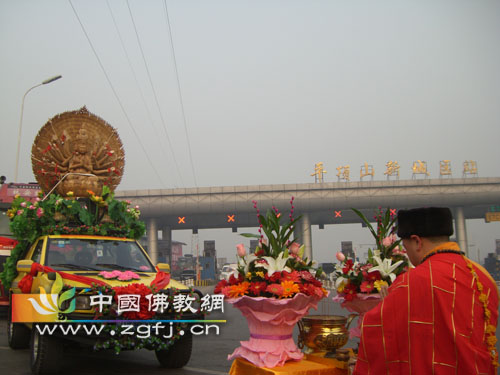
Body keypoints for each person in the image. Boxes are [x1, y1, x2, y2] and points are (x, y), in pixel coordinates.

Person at [353, 207, 499, 374]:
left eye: (405, 246)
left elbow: (377, 331)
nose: (406, 252)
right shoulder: (483, 277)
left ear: (417, 241)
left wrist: (383, 308)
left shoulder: (409, 283)